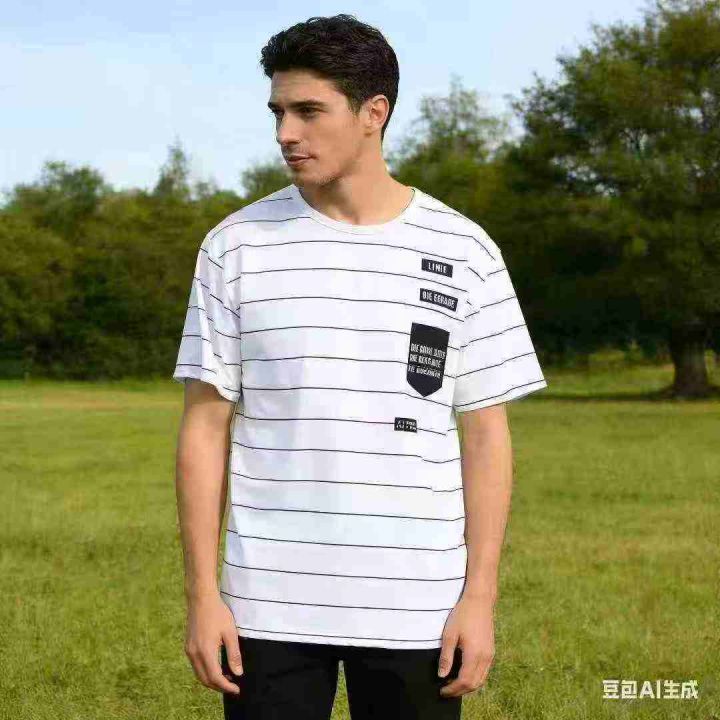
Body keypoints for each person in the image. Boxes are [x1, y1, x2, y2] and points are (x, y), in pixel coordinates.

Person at [172, 13, 548, 720]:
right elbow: (203, 428)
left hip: (420, 608)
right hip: (266, 607)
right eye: (278, 112)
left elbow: (485, 435)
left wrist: (480, 597)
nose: (286, 132)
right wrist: (202, 597)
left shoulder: (465, 249)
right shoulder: (235, 245)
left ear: (374, 113)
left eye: (309, 111)